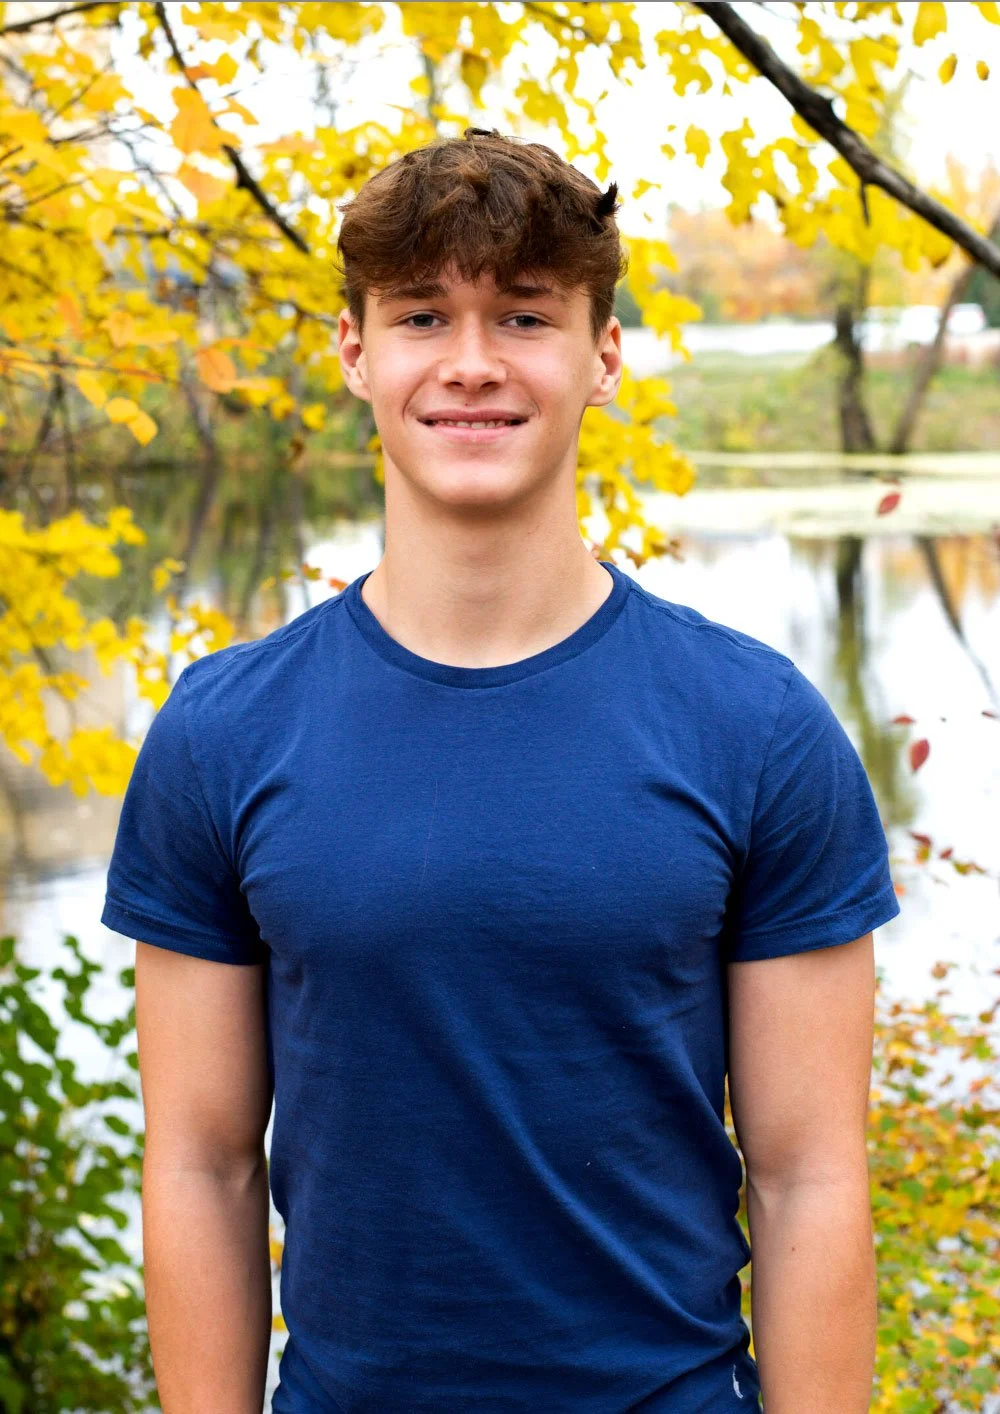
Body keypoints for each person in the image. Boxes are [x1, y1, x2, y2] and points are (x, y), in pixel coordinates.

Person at [101, 127, 900, 1414]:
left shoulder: (754, 726)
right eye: (423, 315)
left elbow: (810, 1172)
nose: (471, 363)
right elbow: (199, 1163)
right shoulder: (223, 731)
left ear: (602, 356)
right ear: (356, 353)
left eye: (523, 316)